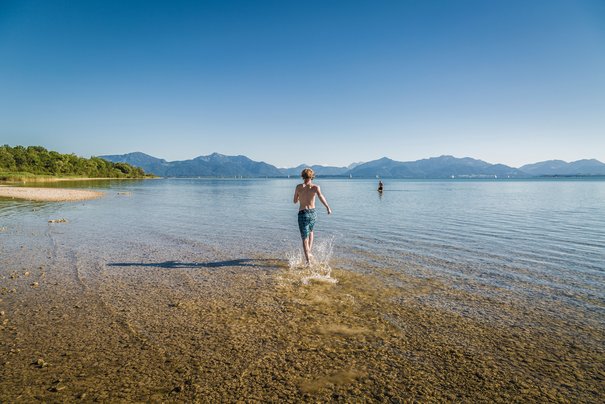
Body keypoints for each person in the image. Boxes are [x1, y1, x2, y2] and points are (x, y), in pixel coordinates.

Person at [293, 168, 332, 265]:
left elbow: (294, 201)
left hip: (303, 213)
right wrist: (328, 207)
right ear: (312, 176)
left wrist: (299, 197)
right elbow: (321, 197)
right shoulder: (315, 187)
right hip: (313, 213)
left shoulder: (298, 187)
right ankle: (309, 252)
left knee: (304, 238)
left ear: (302, 176)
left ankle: (308, 262)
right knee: (311, 231)